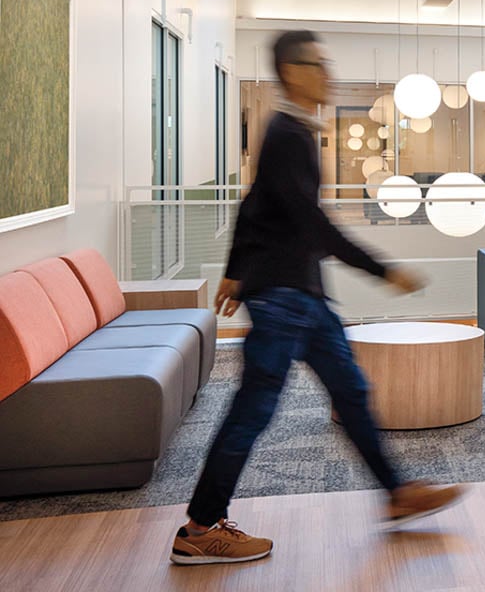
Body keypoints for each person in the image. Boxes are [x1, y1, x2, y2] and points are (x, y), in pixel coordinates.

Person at [171, 30, 465, 567]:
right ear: (292, 72)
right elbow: (310, 222)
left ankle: (397, 494)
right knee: (253, 410)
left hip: (300, 294)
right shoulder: (288, 133)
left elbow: (255, 203)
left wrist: (236, 271)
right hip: (285, 298)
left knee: (351, 392)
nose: (328, 74)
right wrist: (382, 270)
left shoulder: (294, 131)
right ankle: (200, 526)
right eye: (318, 64)